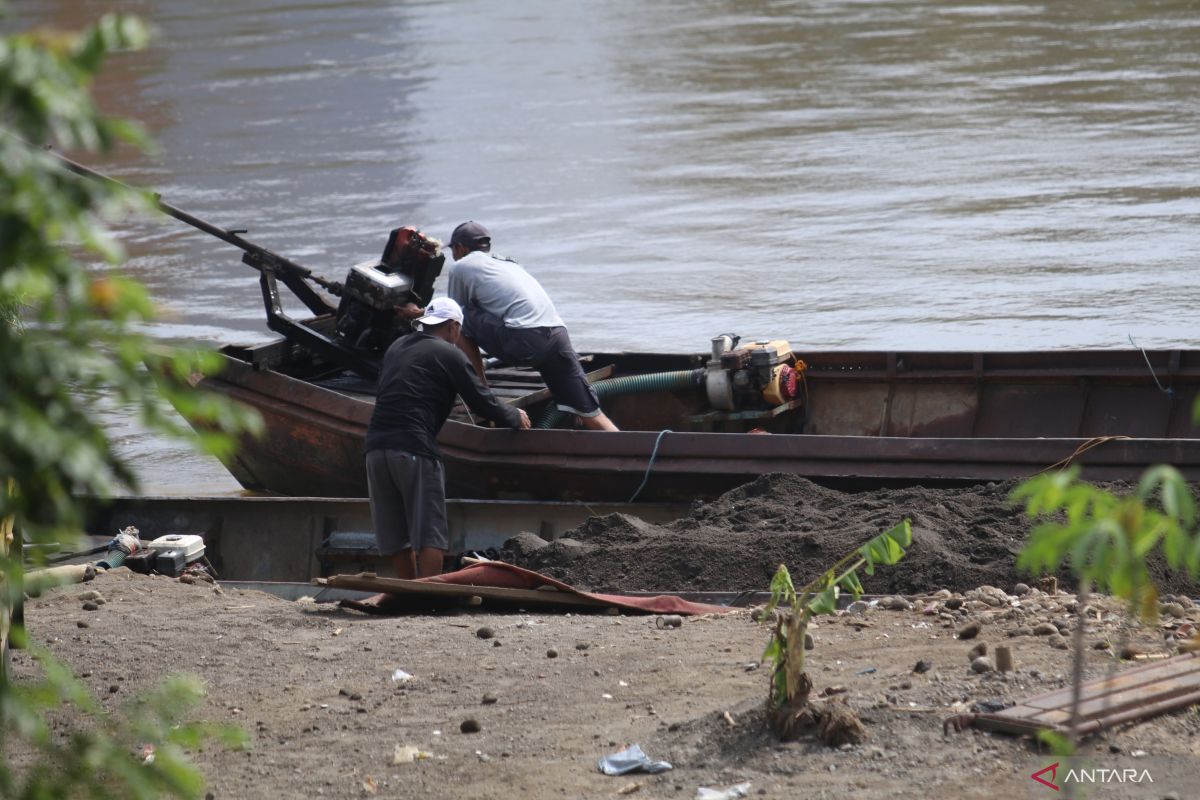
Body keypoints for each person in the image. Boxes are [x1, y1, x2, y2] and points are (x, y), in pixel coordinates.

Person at [364, 297, 530, 579]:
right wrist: (515, 417)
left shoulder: (397, 347)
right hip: (415, 448)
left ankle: (404, 595)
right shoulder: (449, 354)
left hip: (375, 449)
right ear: (453, 327)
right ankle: (427, 598)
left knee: (396, 536)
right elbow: (482, 402)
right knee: (430, 533)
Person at [445, 220, 619, 431]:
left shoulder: (461, 267)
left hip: (525, 340)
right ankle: (631, 452)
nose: (453, 255)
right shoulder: (508, 264)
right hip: (557, 335)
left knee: (459, 317)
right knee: (591, 413)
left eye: (453, 250)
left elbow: (451, 318)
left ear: (460, 248)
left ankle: (480, 390)